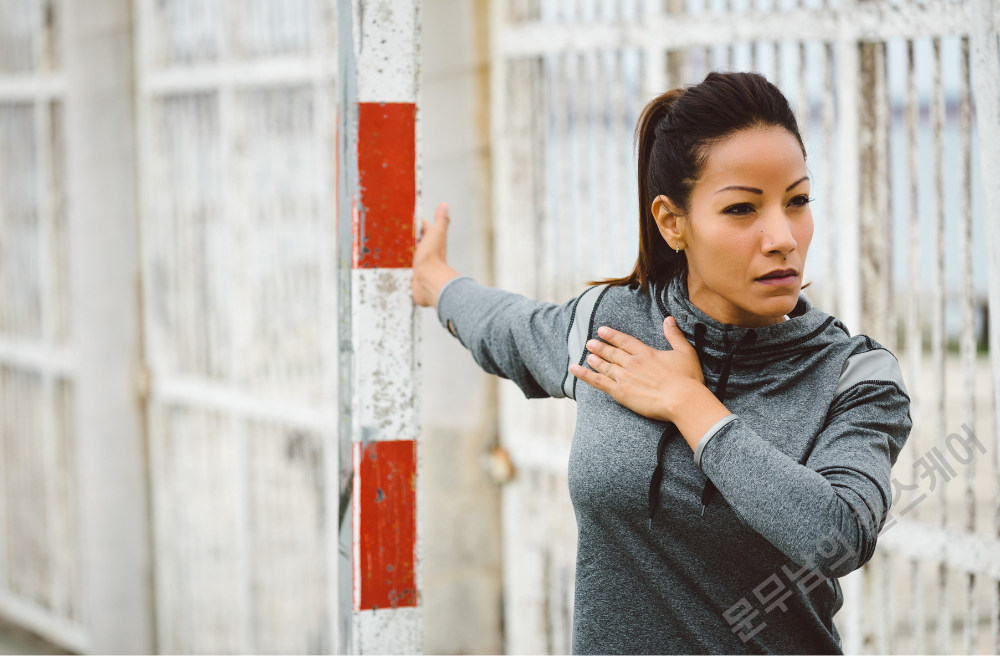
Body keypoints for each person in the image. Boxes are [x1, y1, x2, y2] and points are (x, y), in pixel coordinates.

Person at [411, 71, 911, 654]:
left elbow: (839, 538)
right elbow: (509, 327)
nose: (783, 237)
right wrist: (438, 282)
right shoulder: (612, 326)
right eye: (743, 209)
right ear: (674, 223)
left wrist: (690, 404)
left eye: (797, 201)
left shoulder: (855, 377)